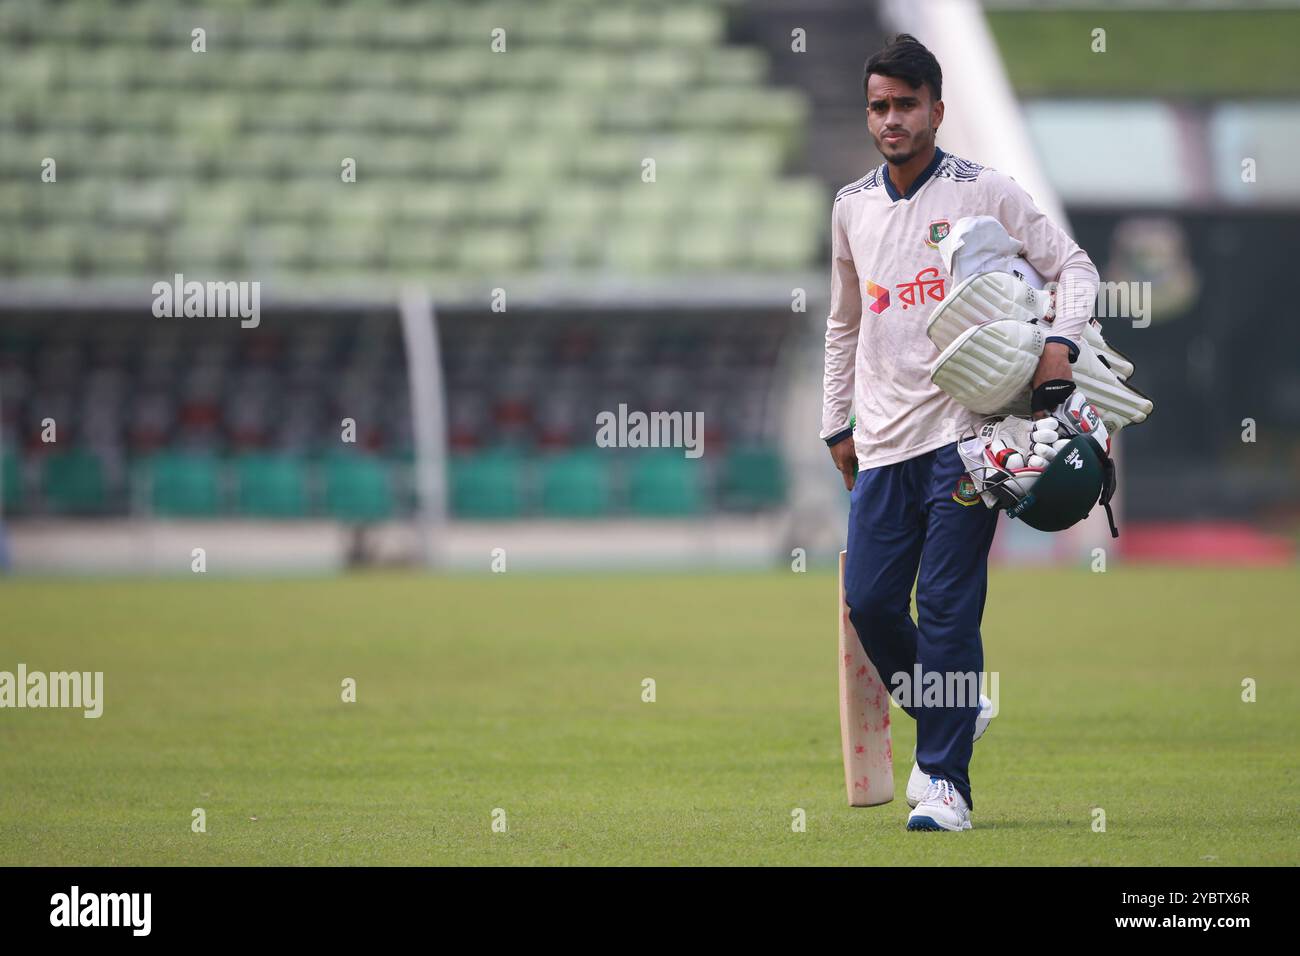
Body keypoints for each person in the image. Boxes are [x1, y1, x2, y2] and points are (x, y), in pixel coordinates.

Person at [821, 34, 1099, 831]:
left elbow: (1074, 267)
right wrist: (833, 423)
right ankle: (954, 706)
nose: (892, 119)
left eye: (908, 105)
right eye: (880, 105)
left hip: (968, 439)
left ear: (938, 110)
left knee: (945, 607)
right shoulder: (851, 207)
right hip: (881, 443)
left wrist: (1060, 344)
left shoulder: (987, 191)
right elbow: (843, 326)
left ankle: (944, 782)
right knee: (872, 604)